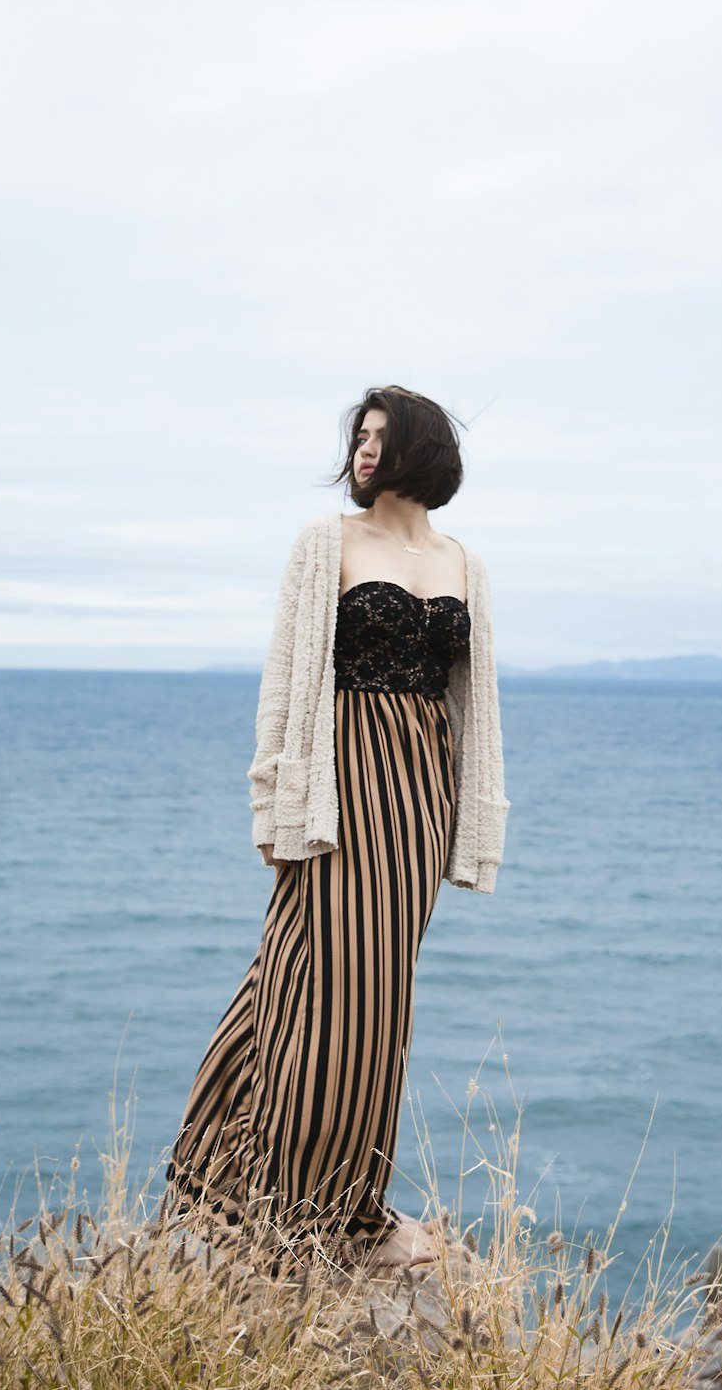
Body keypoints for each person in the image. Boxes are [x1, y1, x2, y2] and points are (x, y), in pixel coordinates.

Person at [165, 385, 509, 1266]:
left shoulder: (465, 561)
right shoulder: (326, 543)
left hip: (421, 792)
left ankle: (353, 1202)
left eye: (382, 437)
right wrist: (268, 803)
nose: (363, 450)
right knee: (309, 982)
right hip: (340, 785)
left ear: (422, 449)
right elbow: (284, 680)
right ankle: (266, 1195)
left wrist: (472, 819)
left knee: (380, 1000)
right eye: (358, 436)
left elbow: (473, 706)